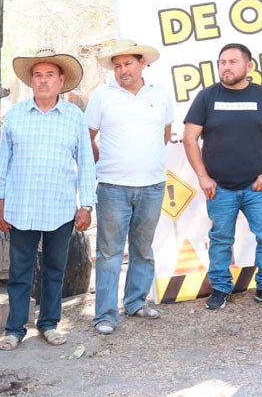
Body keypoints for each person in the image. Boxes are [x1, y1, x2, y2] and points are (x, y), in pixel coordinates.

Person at [0, 48, 95, 351]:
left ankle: (49, 324)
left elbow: (86, 163)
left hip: (60, 208)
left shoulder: (74, 117)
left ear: (61, 81)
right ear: (31, 81)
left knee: (54, 270)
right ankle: (14, 329)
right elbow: (3, 162)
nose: (43, 81)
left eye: (50, 75)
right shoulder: (16, 116)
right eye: (38, 75)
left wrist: (86, 205)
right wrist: (1, 202)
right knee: (20, 271)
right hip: (21, 207)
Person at [183, 43, 262, 310]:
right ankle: (220, 288)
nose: (226, 67)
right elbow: (189, 138)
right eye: (222, 62)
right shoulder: (207, 97)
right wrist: (203, 177)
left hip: (258, 187)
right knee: (221, 238)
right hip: (219, 188)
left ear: (249, 66)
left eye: (232, 61)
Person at [86, 40, 172, 335]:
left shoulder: (160, 95)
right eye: (117, 66)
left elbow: (165, 133)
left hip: (152, 184)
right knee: (109, 252)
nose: (122, 71)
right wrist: (109, 163)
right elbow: (89, 137)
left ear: (142, 63)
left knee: (143, 247)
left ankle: (136, 301)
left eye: (128, 64)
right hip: (113, 186)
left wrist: (144, 162)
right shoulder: (102, 96)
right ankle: (105, 315)